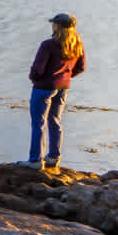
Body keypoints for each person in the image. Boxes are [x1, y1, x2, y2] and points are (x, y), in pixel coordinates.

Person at [26, 13, 86, 170]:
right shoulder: (77, 44)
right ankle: (54, 157)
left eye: (53, 23)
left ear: (57, 26)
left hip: (44, 88)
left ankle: (36, 160)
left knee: (38, 123)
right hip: (63, 87)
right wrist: (65, 76)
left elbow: (38, 69)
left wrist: (34, 78)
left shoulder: (48, 45)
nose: (52, 25)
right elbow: (81, 67)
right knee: (55, 121)